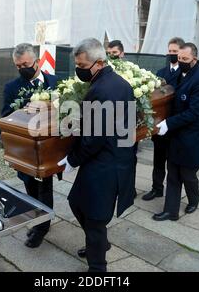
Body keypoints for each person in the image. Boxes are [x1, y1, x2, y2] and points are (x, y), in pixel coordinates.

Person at [57, 38, 135, 272]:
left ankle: (98, 267)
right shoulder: (121, 83)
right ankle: (99, 244)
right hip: (118, 156)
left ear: (99, 63)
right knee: (77, 202)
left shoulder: (100, 90)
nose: (79, 71)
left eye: (82, 66)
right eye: (77, 65)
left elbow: (94, 138)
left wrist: (72, 159)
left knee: (93, 215)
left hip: (104, 161)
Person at [1, 43, 59, 248]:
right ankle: (40, 220)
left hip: (48, 149)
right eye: (18, 66)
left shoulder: (55, 82)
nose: (21, 69)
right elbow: (5, 118)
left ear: (36, 61)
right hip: (26, 152)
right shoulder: (12, 87)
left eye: (25, 64)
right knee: (31, 189)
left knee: (46, 188)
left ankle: (42, 227)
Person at [153, 43, 199, 221]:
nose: (181, 62)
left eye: (185, 59)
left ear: (195, 59)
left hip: (192, 136)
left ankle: (195, 197)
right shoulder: (178, 75)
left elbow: (194, 112)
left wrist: (168, 123)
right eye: (179, 59)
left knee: (187, 174)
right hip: (176, 135)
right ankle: (171, 211)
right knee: (172, 173)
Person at [142, 37, 185, 201]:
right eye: (170, 51)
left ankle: (175, 193)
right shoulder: (160, 73)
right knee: (158, 160)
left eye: (175, 51)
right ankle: (157, 188)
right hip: (160, 125)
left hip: (176, 125)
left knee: (174, 164)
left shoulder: (185, 74)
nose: (172, 54)